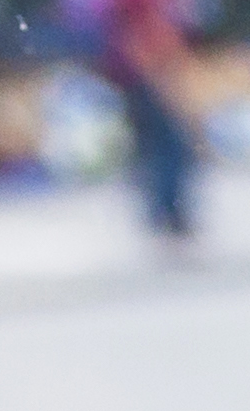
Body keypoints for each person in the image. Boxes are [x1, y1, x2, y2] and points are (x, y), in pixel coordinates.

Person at [88, 0, 197, 249]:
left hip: (139, 67)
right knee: (166, 143)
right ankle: (168, 215)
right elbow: (143, 28)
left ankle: (165, 215)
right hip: (146, 68)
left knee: (155, 143)